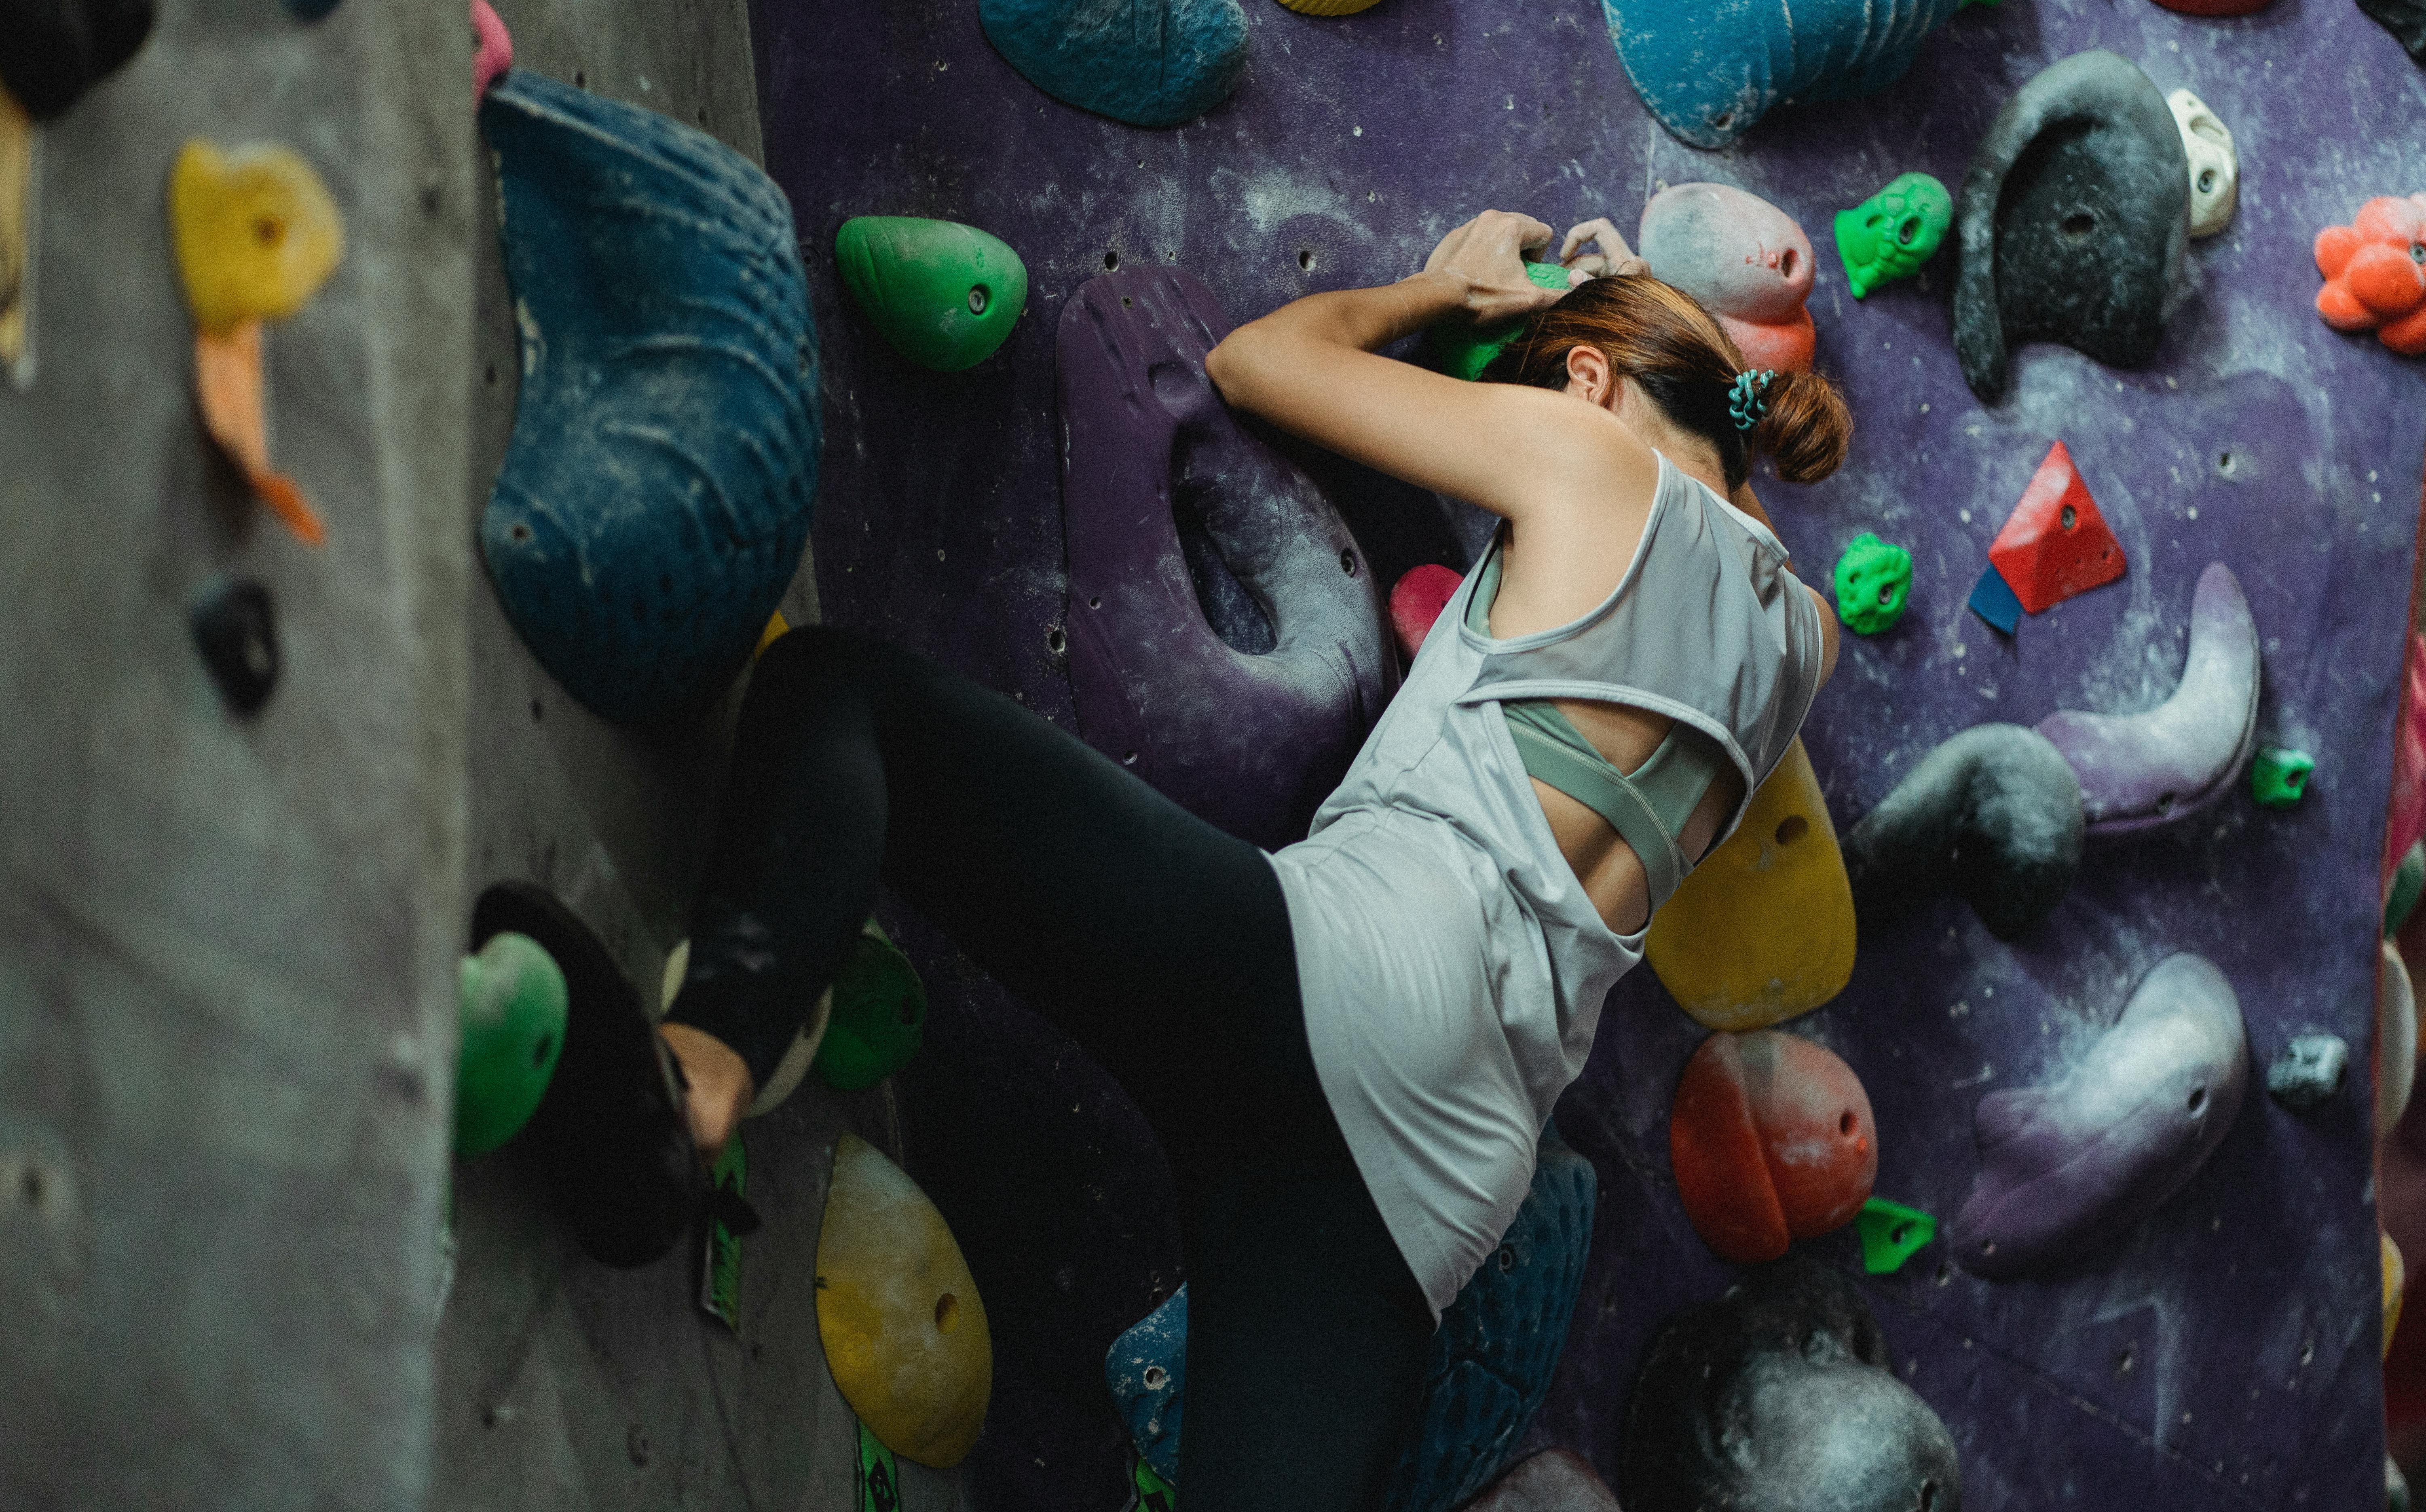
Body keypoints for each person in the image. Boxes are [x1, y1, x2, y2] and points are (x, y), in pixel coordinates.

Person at [486, 210, 1849, 1512]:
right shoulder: (1804, 637)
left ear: (1592, 386)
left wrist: (1454, 299)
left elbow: (1259, 363)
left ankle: (695, 1087)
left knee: (845, 704)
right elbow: (1730, 459)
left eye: (1560, 388)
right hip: (1441, 1195)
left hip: (1354, 977)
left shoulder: (1590, 459)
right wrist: (1678, 365)